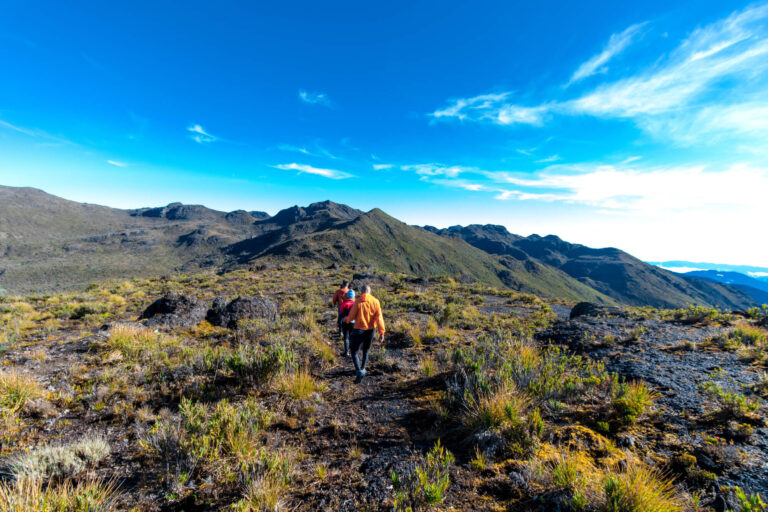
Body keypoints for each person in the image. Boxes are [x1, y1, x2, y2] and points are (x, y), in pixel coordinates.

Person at [344, 284, 385, 383]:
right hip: (370, 330)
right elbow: (379, 318)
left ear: (361, 292)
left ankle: (359, 371)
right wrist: (381, 332)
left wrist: (347, 320)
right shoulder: (375, 302)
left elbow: (351, 316)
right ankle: (363, 368)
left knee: (354, 352)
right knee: (366, 351)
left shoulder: (357, 301)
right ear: (369, 292)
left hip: (358, 329)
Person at [339, 289, 356, 357]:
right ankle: (353, 352)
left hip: (345, 322)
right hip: (353, 323)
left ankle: (346, 352)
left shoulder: (344, 304)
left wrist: (339, 322)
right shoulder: (356, 304)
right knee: (352, 337)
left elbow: (340, 314)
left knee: (346, 337)